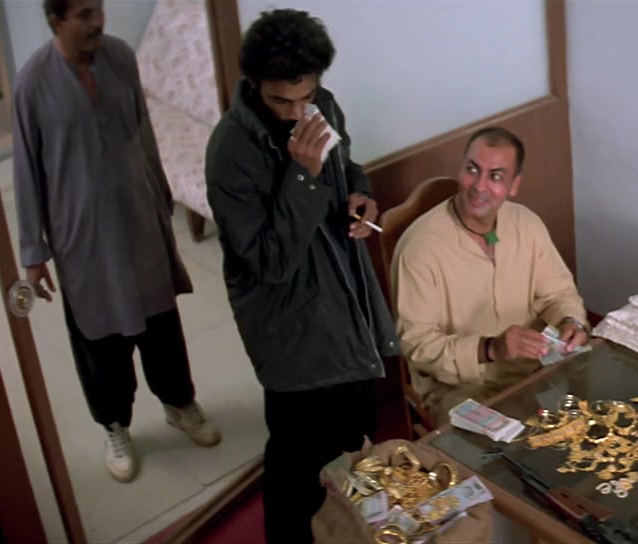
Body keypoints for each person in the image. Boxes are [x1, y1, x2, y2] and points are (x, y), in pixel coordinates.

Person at [204, 9, 398, 543]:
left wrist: (360, 194)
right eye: (280, 101)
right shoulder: (229, 151)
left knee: (357, 440)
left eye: (304, 97)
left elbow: (346, 164)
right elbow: (267, 263)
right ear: (253, 85)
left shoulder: (323, 106)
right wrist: (304, 176)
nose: (296, 114)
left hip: (345, 304)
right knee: (298, 465)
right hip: (290, 328)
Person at [13, 0, 220, 484]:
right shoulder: (32, 84)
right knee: (100, 338)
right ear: (56, 21)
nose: (98, 22)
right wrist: (33, 253)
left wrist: (161, 195)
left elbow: (143, 129)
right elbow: (25, 171)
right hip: (82, 236)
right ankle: (114, 425)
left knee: (160, 323)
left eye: (99, 9)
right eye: (85, 14)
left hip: (139, 218)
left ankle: (179, 402)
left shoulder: (121, 57)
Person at [393, 127, 589, 426]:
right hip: (461, 389)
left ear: (513, 185)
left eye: (495, 176)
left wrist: (570, 322)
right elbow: (418, 347)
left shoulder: (526, 223)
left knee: (595, 422)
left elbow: (559, 294)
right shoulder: (419, 248)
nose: (479, 186)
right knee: (498, 452)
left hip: (536, 369)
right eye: (472, 170)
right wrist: (490, 349)